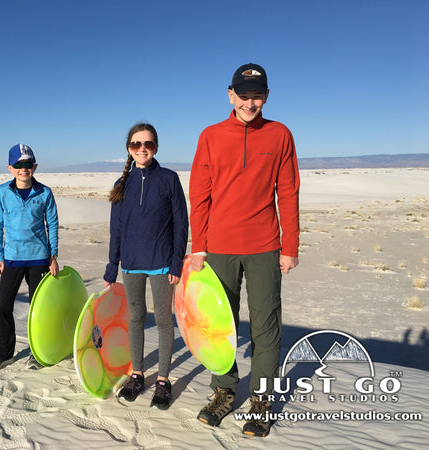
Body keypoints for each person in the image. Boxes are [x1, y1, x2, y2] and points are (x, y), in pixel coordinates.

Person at [189, 63, 300, 436]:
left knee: (266, 328)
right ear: (230, 94)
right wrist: (199, 247)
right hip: (219, 247)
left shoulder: (280, 134)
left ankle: (261, 401)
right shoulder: (211, 135)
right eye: (244, 95)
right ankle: (223, 393)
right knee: (219, 326)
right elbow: (199, 196)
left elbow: (288, 192)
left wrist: (290, 246)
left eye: (257, 96)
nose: (250, 103)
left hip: (264, 246)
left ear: (265, 96)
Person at [104, 123, 188, 410]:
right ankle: (137, 374)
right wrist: (111, 266)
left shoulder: (168, 179)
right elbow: (116, 230)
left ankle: (163, 379)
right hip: (130, 264)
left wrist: (177, 261)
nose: (142, 149)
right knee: (136, 317)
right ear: (129, 148)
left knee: (164, 319)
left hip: (163, 263)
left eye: (148, 144)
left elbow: (181, 223)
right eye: (137, 144)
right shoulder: (122, 183)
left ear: (156, 147)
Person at [0, 144, 59, 373]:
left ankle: (40, 353)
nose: (23, 169)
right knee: (3, 307)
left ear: (34, 167)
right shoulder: (2, 192)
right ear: (10, 168)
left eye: (27, 165)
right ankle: (3, 354)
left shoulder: (45, 192)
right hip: (12, 259)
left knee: (40, 309)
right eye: (18, 165)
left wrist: (53, 256)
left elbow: (52, 224)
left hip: (39, 259)